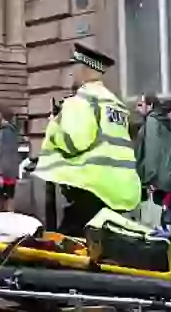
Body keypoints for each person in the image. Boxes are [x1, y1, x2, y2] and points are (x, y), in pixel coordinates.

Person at [35, 44, 140, 237]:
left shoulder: (81, 101)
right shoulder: (117, 105)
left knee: (69, 243)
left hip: (92, 189)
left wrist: (55, 125)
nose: (71, 72)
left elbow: (74, 142)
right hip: (120, 191)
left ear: (83, 69)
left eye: (73, 66)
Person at [134, 94, 171, 231]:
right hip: (168, 181)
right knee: (161, 219)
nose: (136, 109)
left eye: (140, 105)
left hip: (154, 181)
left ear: (150, 106)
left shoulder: (152, 122)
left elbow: (151, 151)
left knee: (149, 222)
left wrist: (149, 179)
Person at [0, 109, 22, 212]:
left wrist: (0, 174)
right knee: (9, 201)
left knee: (0, 204)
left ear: (2, 115)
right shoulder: (12, 131)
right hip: (10, 173)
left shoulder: (4, 131)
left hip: (3, 174)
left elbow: (2, 153)